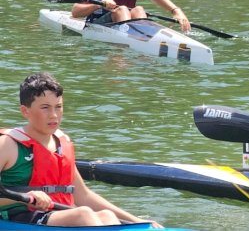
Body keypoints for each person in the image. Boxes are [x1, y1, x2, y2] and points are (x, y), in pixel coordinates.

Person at [0, 73, 162, 227]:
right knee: (83, 215)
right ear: (25, 111)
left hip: (59, 214)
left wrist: (135, 221)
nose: (54, 115)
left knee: (106, 215)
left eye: (58, 107)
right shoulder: (8, 145)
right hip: (18, 217)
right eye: (45, 108)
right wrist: (24, 198)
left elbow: (82, 195)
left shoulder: (62, 144)